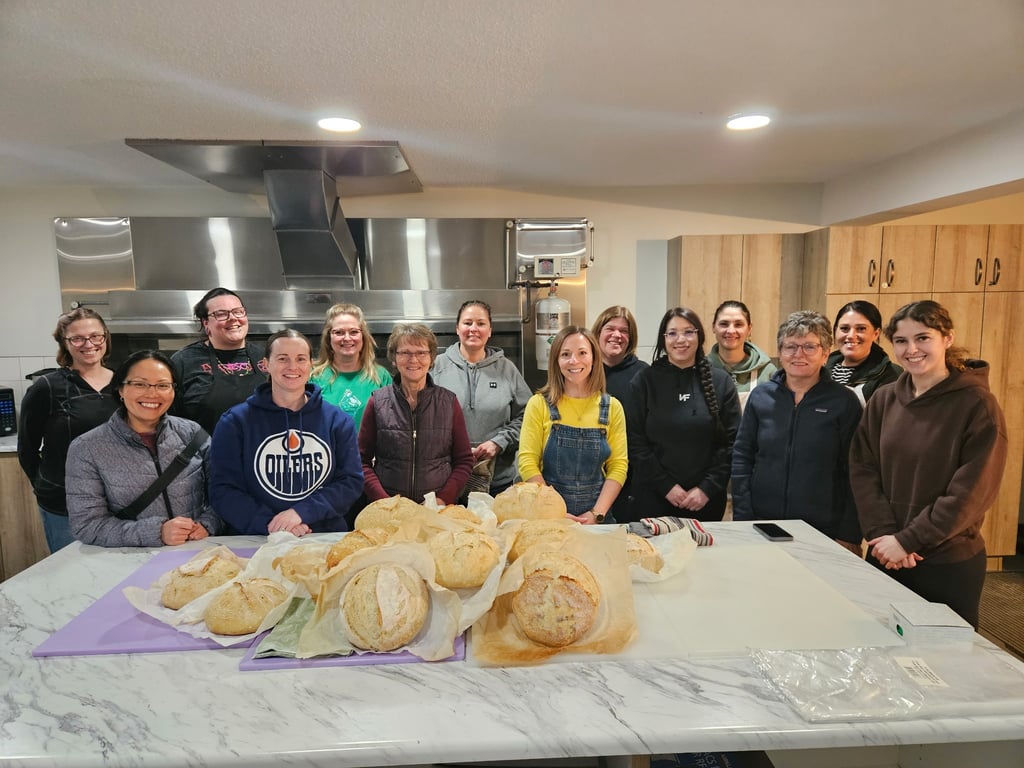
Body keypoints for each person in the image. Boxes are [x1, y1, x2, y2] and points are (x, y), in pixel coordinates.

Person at [850, 300, 1008, 628]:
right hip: (886, 554)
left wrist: (909, 540)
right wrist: (884, 535)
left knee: (946, 666)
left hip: (947, 560)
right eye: (902, 341)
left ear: (947, 338)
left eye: (923, 338)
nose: (912, 349)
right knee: (881, 654)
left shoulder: (977, 405)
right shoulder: (884, 399)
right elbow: (863, 469)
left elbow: (971, 492)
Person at [209, 329, 364, 536]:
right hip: (257, 538)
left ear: (311, 365)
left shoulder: (338, 421)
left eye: (301, 359)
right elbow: (223, 491)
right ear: (266, 365)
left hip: (321, 535)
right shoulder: (235, 422)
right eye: (283, 359)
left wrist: (301, 513)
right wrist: (274, 525)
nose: (293, 367)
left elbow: (350, 482)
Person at [732, 311, 863, 552]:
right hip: (762, 524)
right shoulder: (761, 397)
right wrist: (743, 517)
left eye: (809, 347)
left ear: (825, 354)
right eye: (790, 346)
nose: (798, 354)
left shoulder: (844, 402)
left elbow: (854, 471)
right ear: (780, 353)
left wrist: (849, 534)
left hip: (822, 530)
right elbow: (742, 458)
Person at [65, 350, 222, 547]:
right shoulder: (86, 448)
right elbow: (87, 525)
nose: (152, 393)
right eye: (139, 384)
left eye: (163, 385)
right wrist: (156, 532)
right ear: (120, 389)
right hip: (130, 562)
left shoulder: (193, 433)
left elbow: (224, 492)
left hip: (195, 554)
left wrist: (207, 524)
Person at [18, 308, 120, 552]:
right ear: (65, 343)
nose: (89, 344)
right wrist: (47, 487)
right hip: (64, 504)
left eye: (96, 336)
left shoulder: (123, 384)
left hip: (118, 501)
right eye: (78, 338)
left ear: (105, 337)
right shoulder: (47, 387)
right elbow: (27, 449)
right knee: (73, 577)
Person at [627, 307, 740, 523]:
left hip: (705, 502)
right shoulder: (644, 381)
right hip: (654, 498)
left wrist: (707, 488)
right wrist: (666, 486)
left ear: (700, 336)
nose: (681, 340)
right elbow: (635, 442)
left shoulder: (721, 382)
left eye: (689, 332)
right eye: (672, 333)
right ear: (664, 339)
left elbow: (732, 443)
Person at [517, 326, 627, 524]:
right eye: (565, 354)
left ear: (594, 358)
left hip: (598, 517)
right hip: (549, 517)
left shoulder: (612, 407)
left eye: (582, 353)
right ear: (556, 361)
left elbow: (618, 466)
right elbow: (527, 462)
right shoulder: (539, 404)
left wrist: (596, 514)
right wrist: (552, 511)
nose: (574, 361)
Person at [360, 324, 474, 505]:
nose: (413, 359)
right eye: (405, 353)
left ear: (431, 358)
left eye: (421, 352)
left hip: (436, 511)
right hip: (389, 510)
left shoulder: (448, 402)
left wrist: (442, 499)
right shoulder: (377, 402)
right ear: (394, 358)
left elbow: (464, 460)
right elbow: (361, 462)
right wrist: (384, 502)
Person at [432, 300, 532, 497]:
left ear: (490, 330)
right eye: (467, 323)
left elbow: (528, 417)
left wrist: (499, 442)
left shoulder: (507, 369)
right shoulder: (436, 367)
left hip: (498, 482)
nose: (473, 329)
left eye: (481, 323)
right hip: (446, 478)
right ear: (457, 328)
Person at [170, 287, 267, 435]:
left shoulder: (267, 356)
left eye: (238, 311)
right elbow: (168, 421)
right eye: (221, 314)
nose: (233, 318)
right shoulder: (183, 361)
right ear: (206, 323)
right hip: (207, 455)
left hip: (263, 453)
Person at [591, 306, 648, 520]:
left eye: (624, 331)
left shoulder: (643, 374)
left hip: (630, 478)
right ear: (598, 332)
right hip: (588, 477)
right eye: (610, 329)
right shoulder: (583, 370)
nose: (617, 335)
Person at [311, 303, 392, 430]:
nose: (347, 338)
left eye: (354, 332)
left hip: (369, 450)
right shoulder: (313, 377)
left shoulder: (381, 376)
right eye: (339, 332)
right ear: (328, 338)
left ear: (363, 336)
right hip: (327, 449)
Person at [825, 300, 902, 405]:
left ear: (876, 333)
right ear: (835, 331)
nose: (851, 335)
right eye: (844, 328)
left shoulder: (891, 374)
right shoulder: (820, 368)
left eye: (861, 329)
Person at [707, 300, 777, 412]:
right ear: (713, 327)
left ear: (749, 329)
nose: (730, 330)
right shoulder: (700, 370)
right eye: (724, 324)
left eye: (738, 324)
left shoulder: (768, 373)